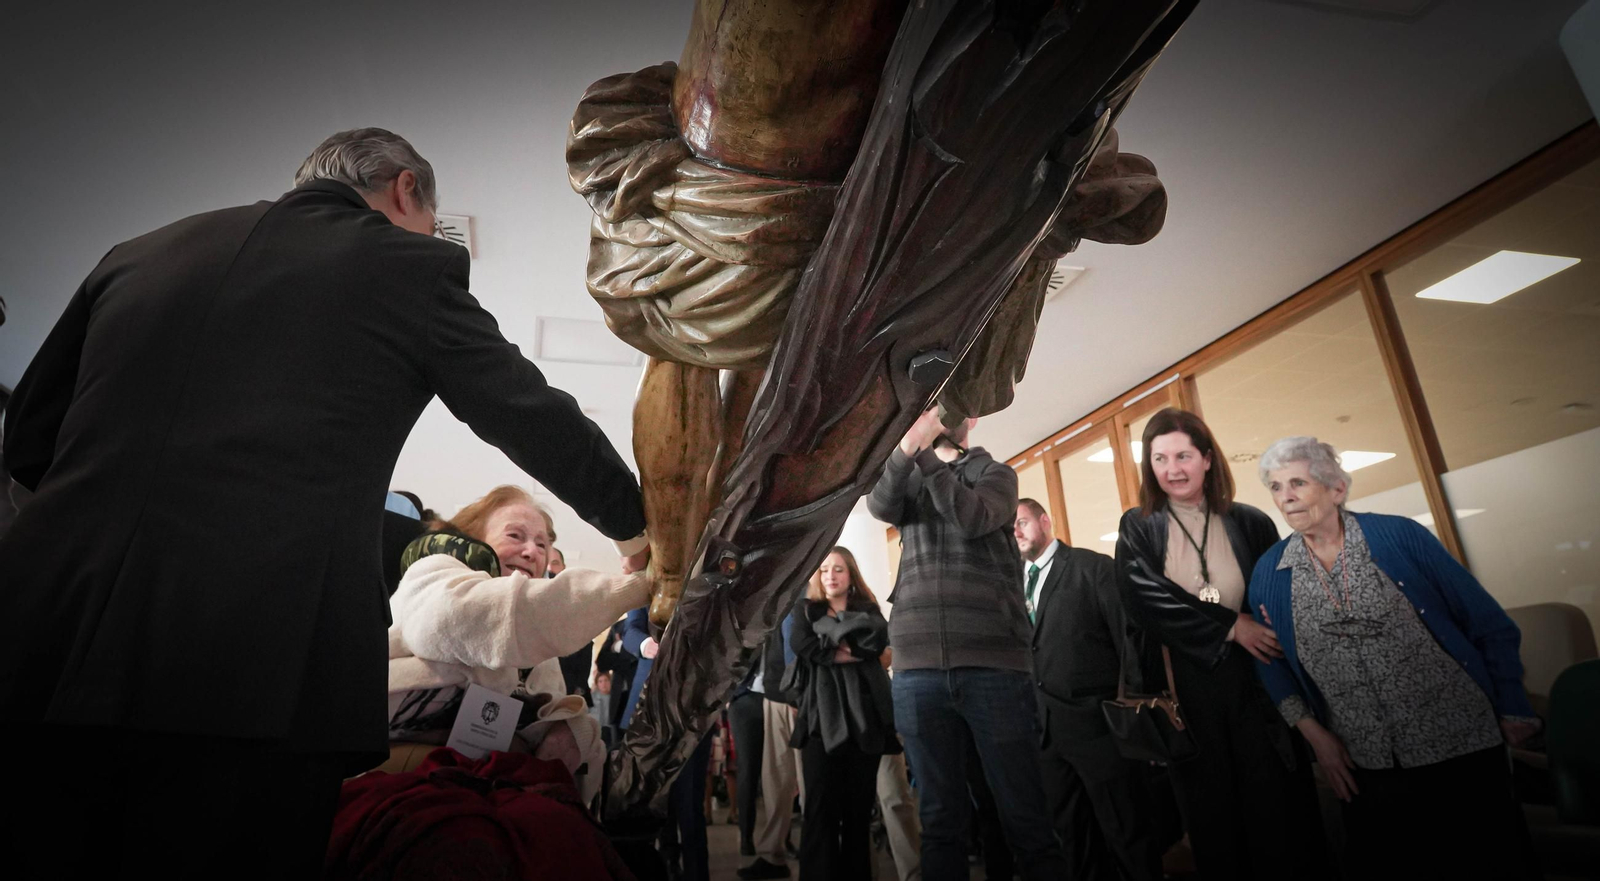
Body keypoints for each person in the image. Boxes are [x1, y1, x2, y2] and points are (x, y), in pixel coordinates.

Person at [0, 127, 649, 876]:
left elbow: (28, 439)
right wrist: (636, 527)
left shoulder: (139, 250)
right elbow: (525, 411)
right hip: (249, 664)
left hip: (38, 639)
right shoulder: (405, 263)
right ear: (407, 190)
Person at [1248, 436, 1540, 880]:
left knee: (1491, 862)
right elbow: (1272, 662)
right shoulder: (1271, 571)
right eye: (1275, 486)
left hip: (1458, 741)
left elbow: (1486, 622)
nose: (1285, 497)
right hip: (1365, 758)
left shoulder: (1398, 536)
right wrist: (1316, 737)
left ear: (1336, 489)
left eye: (1297, 483)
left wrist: (1512, 702)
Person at [1114, 407, 1325, 880]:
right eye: (1160, 458)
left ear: (1207, 459)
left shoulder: (1250, 521)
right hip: (1186, 685)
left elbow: (1275, 594)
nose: (1173, 469)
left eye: (1184, 455)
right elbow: (1144, 599)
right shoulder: (1138, 525)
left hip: (1256, 677)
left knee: (1273, 805)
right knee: (1212, 816)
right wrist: (1231, 626)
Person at [867, 408, 1069, 881]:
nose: (937, 416)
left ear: (971, 420)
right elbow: (880, 506)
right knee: (939, 821)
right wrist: (905, 451)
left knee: (1025, 818)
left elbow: (971, 517)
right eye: (930, 410)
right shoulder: (911, 479)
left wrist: (926, 457)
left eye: (948, 410)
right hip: (918, 674)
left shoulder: (994, 474)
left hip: (993, 669)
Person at [382, 486, 648, 802]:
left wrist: (572, 735)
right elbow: (488, 616)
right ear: (473, 538)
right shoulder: (434, 574)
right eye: (515, 536)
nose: (533, 551)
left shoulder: (538, 642)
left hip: (490, 778)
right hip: (398, 762)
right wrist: (646, 584)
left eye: (542, 543)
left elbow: (537, 713)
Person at [1016, 498, 1164, 881]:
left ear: (1045, 521)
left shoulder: (1092, 567)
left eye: (1022, 522)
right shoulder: (1014, 587)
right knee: (1073, 837)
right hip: (1045, 733)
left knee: (1127, 832)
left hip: (1100, 729)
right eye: (1009, 528)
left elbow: (1128, 638)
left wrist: (1130, 710)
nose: (1015, 532)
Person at [788, 546, 900, 881]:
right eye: (824, 570)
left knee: (857, 815)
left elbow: (876, 644)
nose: (830, 576)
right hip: (820, 722)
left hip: (865, 722)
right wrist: (847, 652)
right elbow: (803, 646)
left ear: (850, 574)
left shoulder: (869, 609)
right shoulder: (805, 610)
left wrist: (838, 648)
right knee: (819, 813)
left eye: (838, 569)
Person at [620, 606, 715, 881]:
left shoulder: (713, 583)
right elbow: (631, 631)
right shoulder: (649, 583)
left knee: (689, 804)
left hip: (694, 706)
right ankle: (666, 865)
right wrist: (647, 644)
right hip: (649, 708)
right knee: (651, 801)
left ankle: (697, 873)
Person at [739, 609, 803, 880]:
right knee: (774, 778)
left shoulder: (805, 580)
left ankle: (817, 853)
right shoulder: (771, 585)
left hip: (799, 693)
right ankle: (772, 855)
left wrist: (796, 691)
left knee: (807, 779)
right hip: (773, 691)